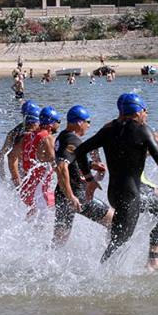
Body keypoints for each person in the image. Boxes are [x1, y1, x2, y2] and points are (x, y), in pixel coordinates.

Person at [74, 93, 158, 270]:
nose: (146, 114)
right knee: (119, 240)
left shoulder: (108, 129)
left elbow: (80, 151)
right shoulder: (142, 130)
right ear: (137, 112)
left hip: (114, 193)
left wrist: (89, 178)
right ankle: (100, 275)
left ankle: (153, 260)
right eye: (145, 111)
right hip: (130, 195)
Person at [53, 105, 114, 247]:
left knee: (58, 242)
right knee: (115, 221)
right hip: (76, 195)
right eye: (88, 122)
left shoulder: (62, 136)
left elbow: (71, 160)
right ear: (79, 122)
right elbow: (61, 168)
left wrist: (92, 164)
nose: (88, 125)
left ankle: (45, 266)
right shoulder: (73, 140)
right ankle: (110, 259)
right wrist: (71, 196)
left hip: (61, 195)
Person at [8, 105, 60, 215]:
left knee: (33, 215)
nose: (59, 124)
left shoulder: (27, 137)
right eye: (58, 121)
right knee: (62, 205)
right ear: (51, 124)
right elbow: (55, 163)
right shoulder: (47, 138)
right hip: (40, 190)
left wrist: (16, 180)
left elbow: (11, 156)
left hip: (27, 188)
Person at [0, 100, 38, 181]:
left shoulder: (13, 132)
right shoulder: (16, 133)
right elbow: (4, 155)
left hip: (19, 172)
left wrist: (2, 176)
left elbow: (1, 154)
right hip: (22, 172)